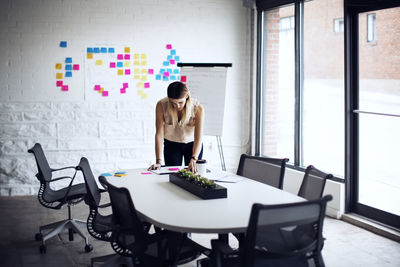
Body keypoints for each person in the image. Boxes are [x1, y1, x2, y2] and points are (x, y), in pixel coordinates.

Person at [148, 81, 204, 173]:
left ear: (186, 96)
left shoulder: (198, 108)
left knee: (193, 175)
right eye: (172, 103)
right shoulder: (161, 105)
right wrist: (158, 161)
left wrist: (194, 158)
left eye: (180, 102)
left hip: (192, 145)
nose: (176, 106)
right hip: (171, 145)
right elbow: (159, 134)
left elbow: (198, 137)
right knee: (172, 175)